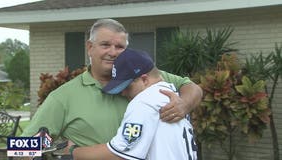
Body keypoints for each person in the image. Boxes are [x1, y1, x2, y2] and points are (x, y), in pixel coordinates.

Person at [21, 18, 202, 151]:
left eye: (120, 46)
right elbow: (22, 146)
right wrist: (57, 149)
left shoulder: (143, 77)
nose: (113, 52)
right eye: (105, 45)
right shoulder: (63, 97)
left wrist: (184, 104)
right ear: (89, 47)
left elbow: (192, 87)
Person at [72, 48, 197, 160]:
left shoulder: (145, 100)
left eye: (127, 87)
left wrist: (73, 153)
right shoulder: (173, 95)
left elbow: (119, 154)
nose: (123, 93)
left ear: (144, 79)